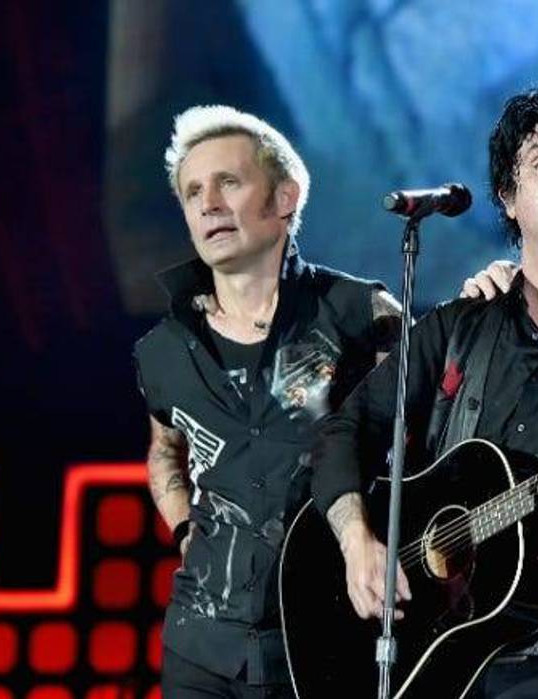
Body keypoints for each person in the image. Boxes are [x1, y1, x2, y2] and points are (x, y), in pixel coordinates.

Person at [310, 83, 538, 698]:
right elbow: (342, 434)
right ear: (509, 199)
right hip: (432, 655)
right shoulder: (456, 325)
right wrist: (358, 541)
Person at [135, 104, 401, 697]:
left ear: (285, 197)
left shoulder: (364, 315)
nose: (208, 204)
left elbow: (431, 440)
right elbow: (164, 454)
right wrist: (183, 529)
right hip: (200, 648)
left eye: (228, 182)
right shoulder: (164, 350)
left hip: (325, 637)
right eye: (193, 192)